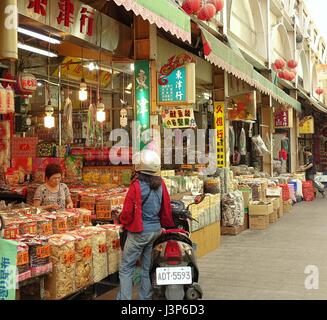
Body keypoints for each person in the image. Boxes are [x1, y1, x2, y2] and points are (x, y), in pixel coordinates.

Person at [117, 150, 174, 300]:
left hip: (139, 232)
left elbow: (128, 212)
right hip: (155, 231)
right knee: (146, 268)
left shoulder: (136, 185)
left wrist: (121, 221)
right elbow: (166, 206)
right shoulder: (160, 183)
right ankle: (145, 298)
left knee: (126, 267)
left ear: (139, 167)